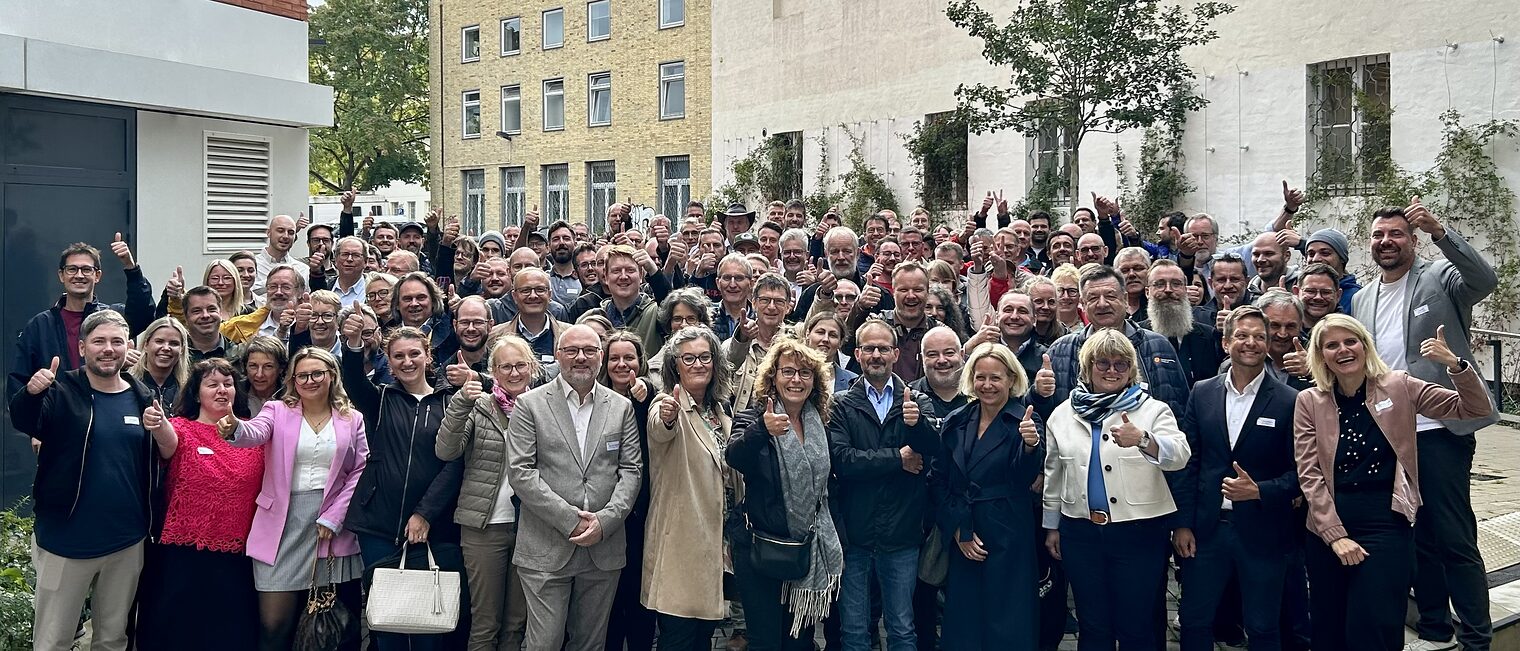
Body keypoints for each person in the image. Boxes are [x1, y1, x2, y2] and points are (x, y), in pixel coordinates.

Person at [1345, 203, 1500, 651]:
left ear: (1412, 240)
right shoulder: (1362, 298)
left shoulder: (1439, 276)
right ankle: (1435, 627)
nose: (1386, 242)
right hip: (1389, 433)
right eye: (1378, 235)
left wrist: (1441, 233)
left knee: (1453, 537)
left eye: (1396, 234)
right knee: (1416, 537)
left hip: (1440, 427)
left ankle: (1477, 638)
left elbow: (1484, 281)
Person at [1293, 314, 1491, 651]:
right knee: (1328, 630)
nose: (1343, 350)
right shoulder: (1309, 401)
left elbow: (1475, 408)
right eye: (1332, 345)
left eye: (1350, 341)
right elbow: (1309, 473)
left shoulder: (1399, 385)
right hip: (1327, 525)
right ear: (1321, 355)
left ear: (1365, 346)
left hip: (1386, 523)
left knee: (1375, 628)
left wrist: (1455, 365)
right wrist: (1335, 535)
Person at [10, 310, 162, 651]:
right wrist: (31, 394)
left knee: (112, 639)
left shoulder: (142, 395)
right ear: (82, 347)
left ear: (128, 347)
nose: (108, 349)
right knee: (53, 641)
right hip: (65, 541)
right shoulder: (60, 390)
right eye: (99, 341)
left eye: (116, 342)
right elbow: (27, 422)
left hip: (126, 542)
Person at [1042, 328, 1191, 651]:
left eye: (1121, 364)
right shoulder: (1062, 414)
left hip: (1140, 533)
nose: (1112, 370)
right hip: (1080, 533)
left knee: (1136, 626)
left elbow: (1180, 455)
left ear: (1131, 369)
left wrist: (1144, 439)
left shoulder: (1152, 410)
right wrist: (1052, 526)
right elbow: (1054, 474)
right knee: (1093, 625)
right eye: (1103, 363)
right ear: (1087, 367)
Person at [219, 345, 368, 651]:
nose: (309, 381)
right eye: (302, 376)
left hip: (331, 528)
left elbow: (360, 470)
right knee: (274, 626)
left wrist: (335, 517)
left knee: (328, 628)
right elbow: (254, 432)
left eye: (317, 374)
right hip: (281, 526)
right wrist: (235, 428)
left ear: (332, 375)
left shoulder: (352, 418)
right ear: (292, 380)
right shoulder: (277, 410)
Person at [505, 324, 643, 651]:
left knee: (591, 644)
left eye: (589, 351)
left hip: (603, 546)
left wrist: (605, 521)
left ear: (600, 357)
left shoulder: (620, 406)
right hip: (546, 544)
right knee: (544, 643)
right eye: (571, 350)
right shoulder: (529, 405)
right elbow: (521, 472)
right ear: (557, 355)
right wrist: (571, 520)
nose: (581, 357)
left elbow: (631, 470)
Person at [1172, 306, 1301, 651]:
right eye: (1242, 335)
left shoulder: (1290, 400)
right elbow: (1188, 462)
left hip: (1264, 532)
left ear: (1268, 344)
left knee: (1263, 626)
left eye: (1259, 336)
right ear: (1226, 342)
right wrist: (1182, 524)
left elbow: (1301, 474)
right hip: (1206, 531)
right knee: (1195, 621)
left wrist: (1260, 490)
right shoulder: (1202, 392)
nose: (1251, 343)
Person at [340, 322, 464, 650]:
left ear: (428, 356)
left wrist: (424, 513)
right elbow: (352, 381)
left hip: (434, 525)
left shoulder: (450, 401)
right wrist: (353, 343)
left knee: (427, 620)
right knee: (386, 619)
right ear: (389, 362)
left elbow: (455, 463)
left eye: (414, 354)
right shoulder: (381, 398)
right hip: (379, 525)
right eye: (398, 356)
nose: (407, 362)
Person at [134, 358, 261, 651]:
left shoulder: (254, 434)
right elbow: (167, 440)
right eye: (212, 384)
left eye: (228, 384)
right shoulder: (182, 428)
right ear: (196, 392)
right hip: (183, 555)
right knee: (177, 633)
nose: (222, 390)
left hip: (237, 556)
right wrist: (158, 423)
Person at [727, 337, 845, 650]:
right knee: (765, 640)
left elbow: (831, 482)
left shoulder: (822, 422)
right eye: (788, 371)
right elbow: (735, 457)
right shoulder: (753, 418)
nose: (796, 380)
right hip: (760, 546)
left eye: (805, 373)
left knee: (799, 641)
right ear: (773, 376)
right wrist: (762, 431)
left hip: (807, 547)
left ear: (815, 381)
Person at [830, 317, 940, 651]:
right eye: (869, 349)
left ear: (895, 353)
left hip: (901, 535)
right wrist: (897, 459)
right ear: (857, 355)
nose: (876, 355)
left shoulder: (916, 400)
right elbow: (843, 461)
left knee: (902, 630)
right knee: (854, 632)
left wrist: (917, 426)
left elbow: (930, 453)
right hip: (855, 535)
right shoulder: (840, 404)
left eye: (883, 348)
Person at [929, 343, 1044, 650]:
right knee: (964, 623)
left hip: (1009, 536)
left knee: (1008, 623)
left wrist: (1030, 446)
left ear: (1011, 379)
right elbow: (938, 480)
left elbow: (1024, 479)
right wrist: (958, 529)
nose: (987, 385)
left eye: (996, 377)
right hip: (965, 532)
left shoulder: (1025, 421)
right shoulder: (956, 420)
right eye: (981, 377)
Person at [437, 335, 538, 651]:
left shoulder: (543, 407)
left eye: (520, 365)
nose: (514, 373)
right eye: (505, 367)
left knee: (517, 623)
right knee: (485, 623)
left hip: (531, 528)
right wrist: (461, 402)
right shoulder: (478, 405)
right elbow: (446, 450)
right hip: (484, 528)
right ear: (493, 371)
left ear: (532, 368)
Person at [644, 327, 736, 650]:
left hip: (716, 544)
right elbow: (659, 428)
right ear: (675, 365)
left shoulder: (720, 411)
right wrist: (668, 416)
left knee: (702, 637)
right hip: (681, 547)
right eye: (689, 358)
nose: (698, 364)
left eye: (705, 357)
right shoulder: (666, 403)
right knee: (679, 637)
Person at [9, 240, 154, 399]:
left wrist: (131, 267)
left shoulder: (112, 318)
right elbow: (18, 380)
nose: (79, 275)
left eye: (86, 269)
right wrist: (29, 395)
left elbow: (144, 313)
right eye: (72, 269)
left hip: (103, 405)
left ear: (97, 275)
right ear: (61, 275)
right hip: (56, 410)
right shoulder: (40, 325)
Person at [1046, 265, 1191, 416]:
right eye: (1093, 298)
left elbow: (1181, 407)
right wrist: (1038, 394)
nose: (1102, 304)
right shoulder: (1061, 350)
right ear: (1083, 303)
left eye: (1110, 296)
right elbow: (1047, 413)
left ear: (1125, 299)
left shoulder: (1158, 346)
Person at [600, 331, 658, 651]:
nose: (622, 364)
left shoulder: (649, 398)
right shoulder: (595, 399)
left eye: (629, 358)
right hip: (603, 509)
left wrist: (646, 390)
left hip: (642, 511)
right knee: (608, 601)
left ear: (641, 361)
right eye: (614, 358)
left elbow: (658, 395)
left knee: (639, 594)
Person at [843, 263, 939, 383]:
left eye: (917, 290)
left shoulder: (938, 332)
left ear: (928, 292)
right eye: (903, 290)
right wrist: (860, 308)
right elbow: (846, 347)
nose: (911, 296)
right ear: (893, 292)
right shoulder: (877, 324)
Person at [1137, 261, 1222, 389]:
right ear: (1147, 292)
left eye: (1176, 284)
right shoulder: (1136, 336)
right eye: (1159, 284)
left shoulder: (1209, 336)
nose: (1168, 290)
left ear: (1185, 290)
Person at [130, 316, 190, 412]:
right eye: (159, 341)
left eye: (174, 343)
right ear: (146, 345)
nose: (166, 348)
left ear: (182, 349)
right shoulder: (129, 386)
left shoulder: (188, 392)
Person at [250, 214, 309, 302]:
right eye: (280, 231)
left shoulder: (303, 269)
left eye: (291, 233)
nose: (286, 236)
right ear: (268, 233)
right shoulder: (251, 266)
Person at [801, 311, 858, 392]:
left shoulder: (853, 381)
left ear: (841, 342)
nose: (825, 339)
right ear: (808, 334)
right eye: (820, 332)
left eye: (833, 335)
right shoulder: (793, 375)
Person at [239, 335, 288, 415]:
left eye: (268, 366)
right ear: (245, 366)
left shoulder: (291, 396)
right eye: (253, 366)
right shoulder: (236, 394)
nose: (259, 374)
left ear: (281, 368)